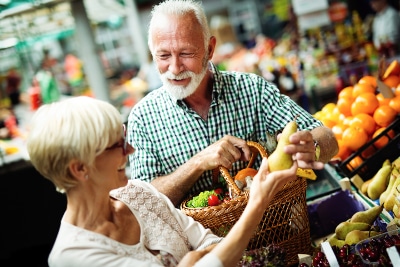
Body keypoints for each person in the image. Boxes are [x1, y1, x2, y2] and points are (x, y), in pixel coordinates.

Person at [26, 96, 298, 267]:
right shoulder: (72, 257)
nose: (130, 150)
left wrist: (195, 260)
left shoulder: (140, 193)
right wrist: (258, 201)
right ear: (80, 168)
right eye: (117, 145)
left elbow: (210, 242)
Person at [127, 0, 338, 207]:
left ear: (210, 50)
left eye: (186, 53)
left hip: (276, 232)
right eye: (163, 55)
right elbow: (143, 204)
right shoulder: (143, 118)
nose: (174, 68)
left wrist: (313, 146)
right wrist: (197, 163)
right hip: (200, 243)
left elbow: (328, 138)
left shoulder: (252, 89)